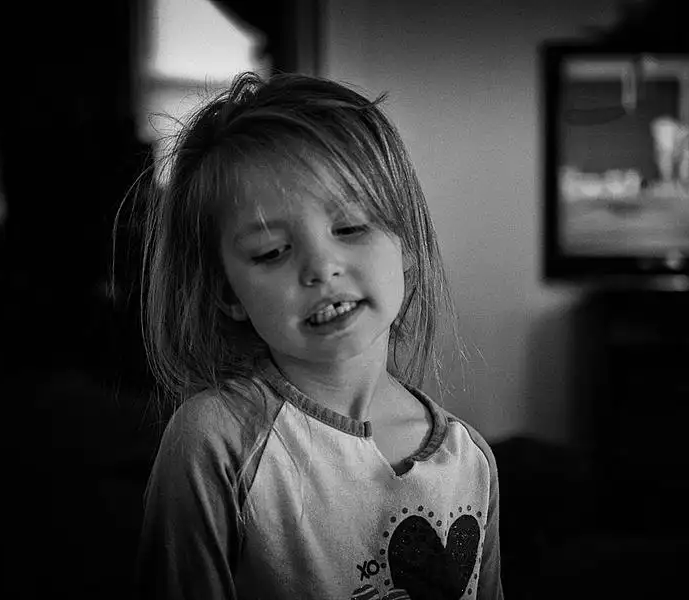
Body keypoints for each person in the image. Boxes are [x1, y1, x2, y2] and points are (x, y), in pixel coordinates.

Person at [128, 71, 504, 600]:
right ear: (228, 293)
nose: (321, 268)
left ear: (407, 244)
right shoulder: (215, 442)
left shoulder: (470, 461)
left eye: (350, 228)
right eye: (271, 252)